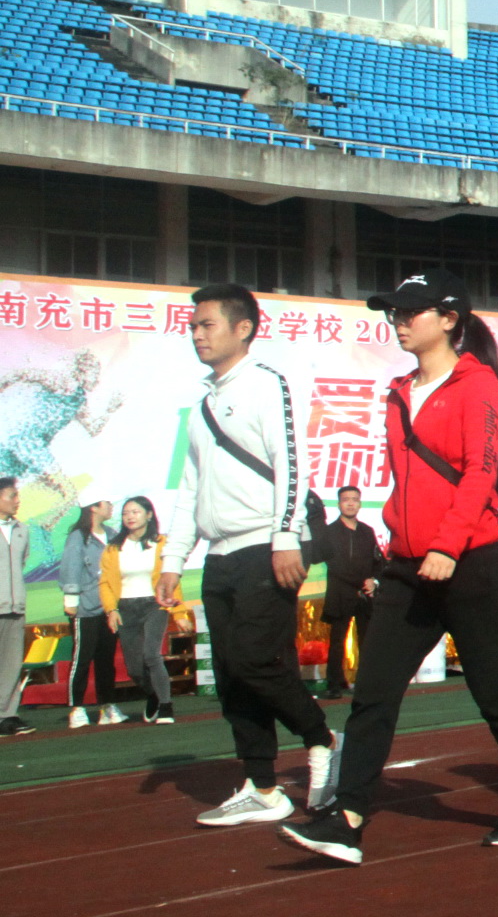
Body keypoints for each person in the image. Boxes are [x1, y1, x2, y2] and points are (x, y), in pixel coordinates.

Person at [281, 269, 498, 865]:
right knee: (373, 694)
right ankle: (349, 817)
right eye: (394, 313)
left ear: (449, 319)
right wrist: (400, 543)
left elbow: (481, 472)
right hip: (407, 568)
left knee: (496, 692)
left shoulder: (478, 384)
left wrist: (447, 545)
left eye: (411, 312)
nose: (399, 322)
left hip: (473, 562)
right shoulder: (397, 392)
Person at [181, 285, 340, 826]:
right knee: (230, 674)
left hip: (262, 549)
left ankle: (321, 738)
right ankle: (264, 787)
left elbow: (291, 465)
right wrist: (174, 558)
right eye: (194, 325)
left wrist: (284, 537)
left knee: (254, 659)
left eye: (207, 324)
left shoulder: (267, 385)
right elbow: (189, 488)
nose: (197, 333)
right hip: (219, 556)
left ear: (243, 328)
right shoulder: (202, 404)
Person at [101, 496, 181, 725]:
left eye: (135, 512)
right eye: (126, 513)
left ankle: (166, 705)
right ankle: (153, 694)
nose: (130, 517)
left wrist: (180, 612)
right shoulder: (114, 548)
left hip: (154, 604)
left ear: (148, 514)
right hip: (126, 607)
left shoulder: (161, 543)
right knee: (134, 668)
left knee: (151, 655)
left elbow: (173, 579)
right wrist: (111, 610)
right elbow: (105, 583)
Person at [313, 486, 382, 700]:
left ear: (360, 503)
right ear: (338, 503)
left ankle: (368, 684)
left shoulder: (367, 531)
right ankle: (334, 684)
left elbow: (378, 561)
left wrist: (374, 581)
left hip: (365, 596)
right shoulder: (329, 532)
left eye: (355, 499)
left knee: (367, 641)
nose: (351, 503)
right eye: (346, 499)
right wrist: (360, 581)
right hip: (341, 594)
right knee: (337, 641)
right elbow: (334, 564)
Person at [56, 495, 116, 726]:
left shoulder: (112, 535)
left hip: (109, 608)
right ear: (94, 507)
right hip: (85, 608)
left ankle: (106, 706)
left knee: (106, 660)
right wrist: (70, 599)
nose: (111, 507)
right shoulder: (78, 537)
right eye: (107, 502)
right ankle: (76, 708)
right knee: (82, 658)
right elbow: (71, 568)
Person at [0, 477, 30, 737]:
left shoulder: (22, 530)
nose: (17, 501)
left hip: (15, 606)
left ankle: (8, 714)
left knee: (11, 663)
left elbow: (20, 563)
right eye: (12, 496)